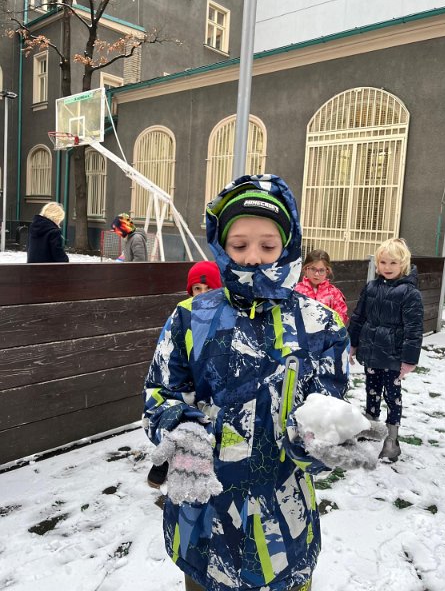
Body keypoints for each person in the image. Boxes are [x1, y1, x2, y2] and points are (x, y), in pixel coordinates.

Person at [143, 174, 374, 591]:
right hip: (204, 519)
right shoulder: (190, 317)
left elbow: (326, 406)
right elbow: (161, 393)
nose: (253, 258)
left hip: (283, 524)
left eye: (268, 246)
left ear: (288, 245)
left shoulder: (321, 325)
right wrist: (179, 426)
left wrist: (321, 441)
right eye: (239, 245)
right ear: (221, 247)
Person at [147, 260, 222, 490]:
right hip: (188, 390)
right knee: (180, 424)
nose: (203, 294)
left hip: (217, 392)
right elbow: (167, 367)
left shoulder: (227, 318)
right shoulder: (183, 315)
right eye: (197, 289)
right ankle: (166, 456)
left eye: (210, 289)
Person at [348, 237, 424, 462]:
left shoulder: (409, 293)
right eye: (383, 262)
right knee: (371, 389)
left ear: (403, 264)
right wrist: (353, 343)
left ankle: (392, 438)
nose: (387, 267)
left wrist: (409, 360)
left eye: (393, 263)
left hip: (394, 356)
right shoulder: (371, 287)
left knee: (392, 395)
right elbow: (359, 317)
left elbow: (414, 329)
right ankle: (371, 424)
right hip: (372, 351)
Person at [294, 249, 348, 324]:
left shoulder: (334, 293)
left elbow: (341, 318)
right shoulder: (296, 291)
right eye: (313, 269)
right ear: (306, 269)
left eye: (321, 270)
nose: (316, 274)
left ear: (327, 271)